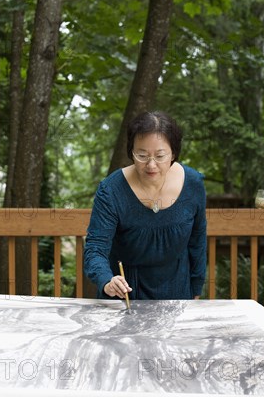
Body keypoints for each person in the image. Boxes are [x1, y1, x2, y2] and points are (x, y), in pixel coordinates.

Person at [84, 111, 207, 301]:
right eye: (141, 155)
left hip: (178, 293)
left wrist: (196, 290)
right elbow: (95, 247)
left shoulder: (193, 184)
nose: (151, 165)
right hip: (126, 296)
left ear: (173, 153)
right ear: (131, 152)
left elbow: (197, 241)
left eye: (160, 156)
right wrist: (107, 280)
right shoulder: (111, 190)